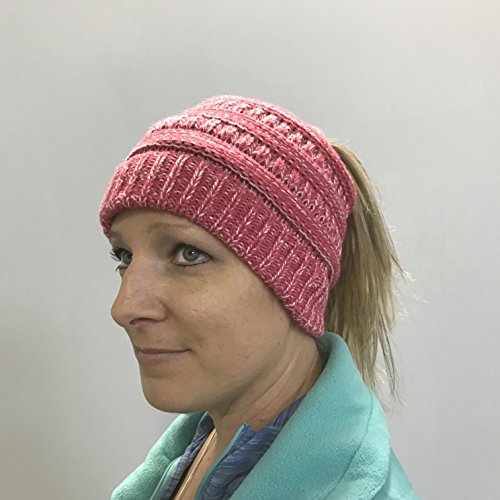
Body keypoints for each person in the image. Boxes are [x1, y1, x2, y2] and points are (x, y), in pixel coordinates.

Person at [98, 95, 419, 499]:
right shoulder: (203, 448)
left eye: (188, 254)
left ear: (295, 282)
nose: (124, 308)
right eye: (124, 256)